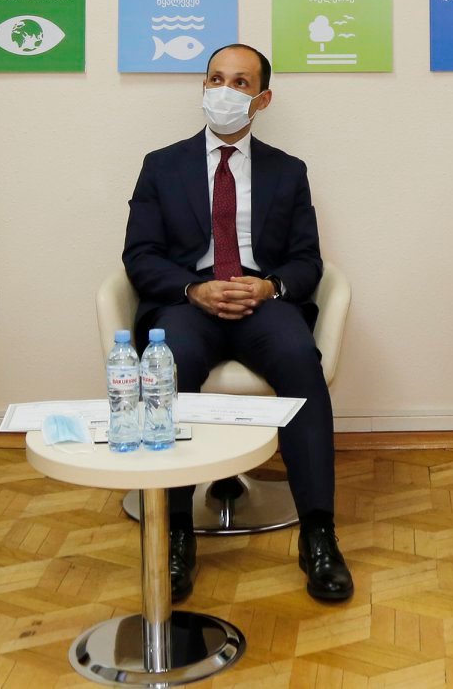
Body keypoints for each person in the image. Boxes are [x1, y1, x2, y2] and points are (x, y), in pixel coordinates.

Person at [122, 44, 353, 602]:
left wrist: (269, 287)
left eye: (241, 83)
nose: (224, 91)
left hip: (261, 301)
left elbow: (307, 260)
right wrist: (193, 289)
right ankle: (176, 533)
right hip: (189, 301)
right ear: (203, 87)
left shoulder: (288, 171)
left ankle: (318, 534)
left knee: (300, 360)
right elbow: (140, 255)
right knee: (170, 364)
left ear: (262, 99)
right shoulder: (161, 165)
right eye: (216, 79)